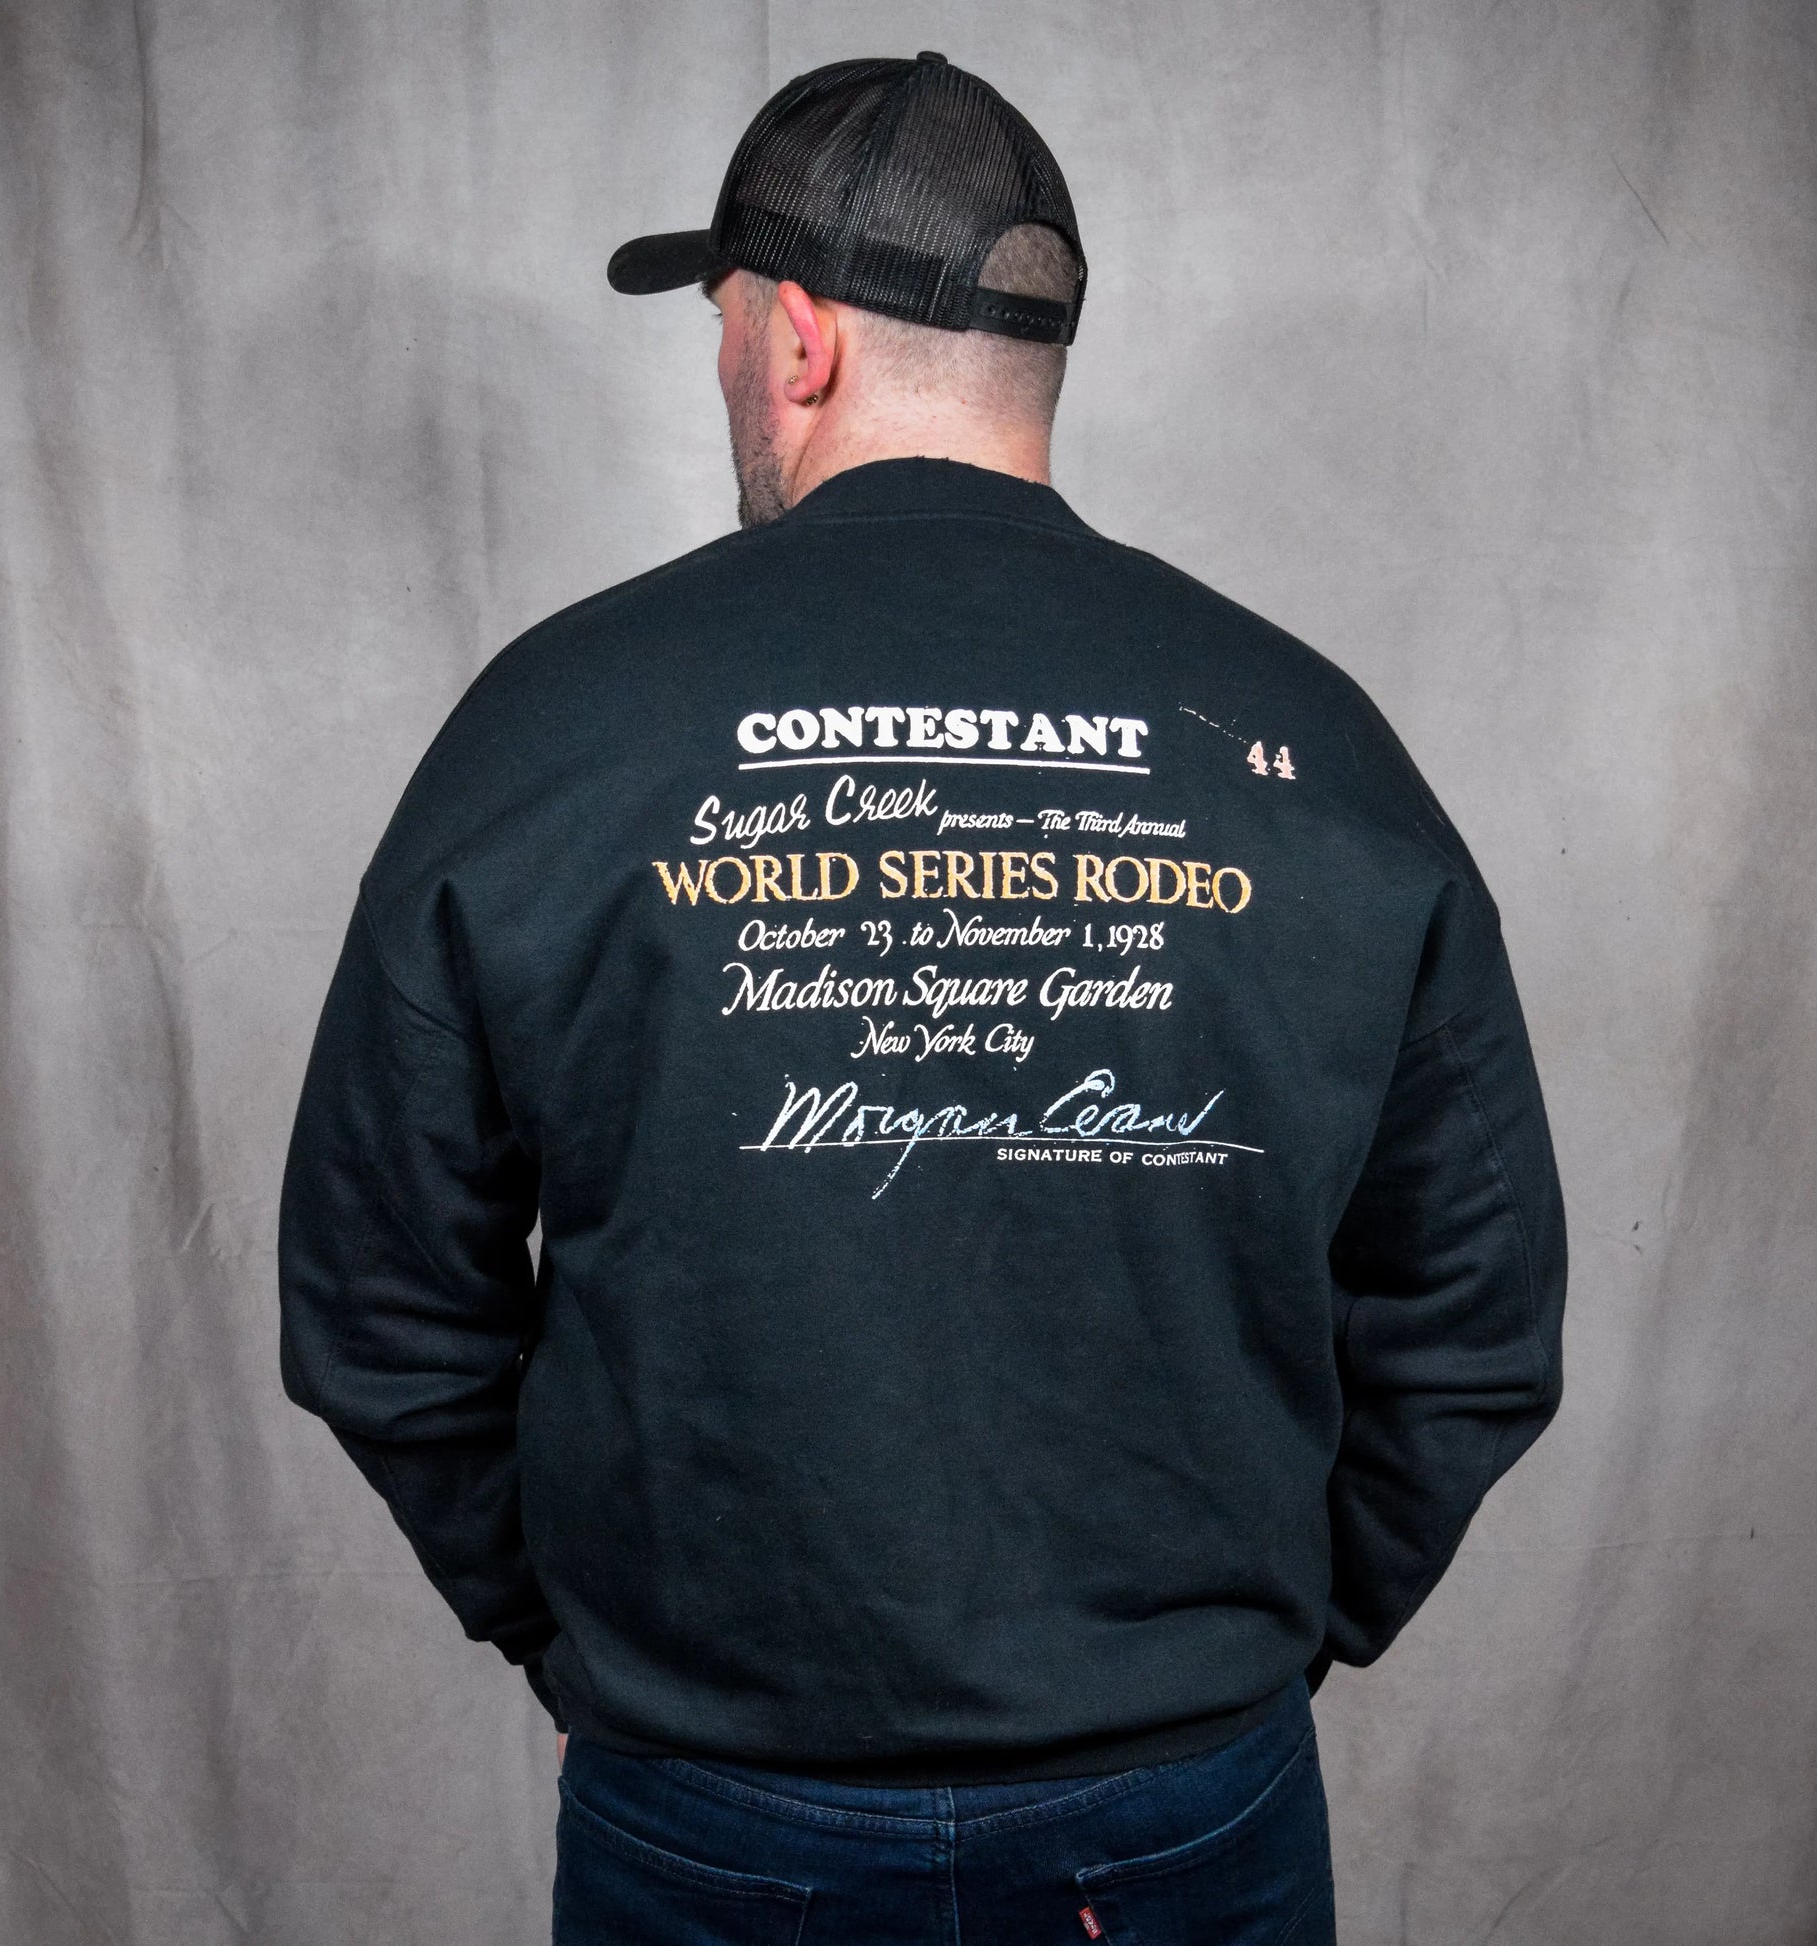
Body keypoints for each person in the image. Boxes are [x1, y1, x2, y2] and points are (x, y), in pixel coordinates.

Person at [277, 51, 1566, 1946]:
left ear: (796, 339)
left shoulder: (553, 723)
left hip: (712, 1806)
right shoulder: (1307, 734)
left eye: (724, 325)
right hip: (1182, 1807)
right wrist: (1250, 1640)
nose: (729, 369)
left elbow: (381, 1295)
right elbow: (1475, 1304)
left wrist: (580, 1638)